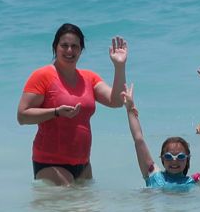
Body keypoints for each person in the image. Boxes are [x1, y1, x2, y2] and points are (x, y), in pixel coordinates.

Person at [17, 23, 127, 186]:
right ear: (55, 47)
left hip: (83, 163)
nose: (69, 51)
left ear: (81, 50)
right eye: (64, 46)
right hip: (50, 161)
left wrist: (119, 66)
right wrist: (55, 112)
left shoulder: (89, 78)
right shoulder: (42, 76)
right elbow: (22, 116)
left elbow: (116, 101)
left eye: (75, 46)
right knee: (70, 203)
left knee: (87, 209)